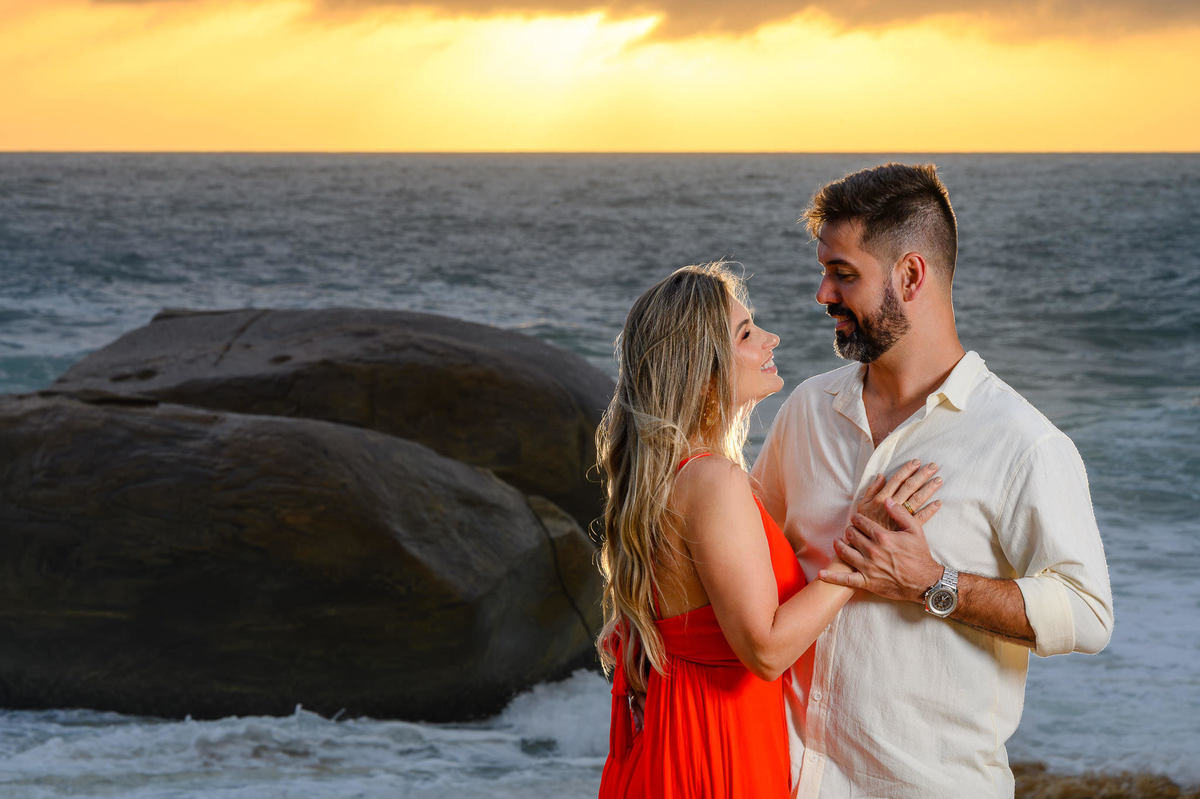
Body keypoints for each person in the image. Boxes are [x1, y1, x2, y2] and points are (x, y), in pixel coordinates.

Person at [751, 163, 1115, 799]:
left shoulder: (1023, 443)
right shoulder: (807, 409)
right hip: (781, 780)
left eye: (843, 273)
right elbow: (744, 550)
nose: (822, 295)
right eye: (824, 271)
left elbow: (1088, 615)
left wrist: (932, 583)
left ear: (910, 275)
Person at [595, 263, 940, 798]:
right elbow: (767, 649)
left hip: (680, 737)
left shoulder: (670, 476)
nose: (770, 339)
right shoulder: (712, 480)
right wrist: (860, 549)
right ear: (703, 370)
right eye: (747, 333)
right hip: (717, 750)